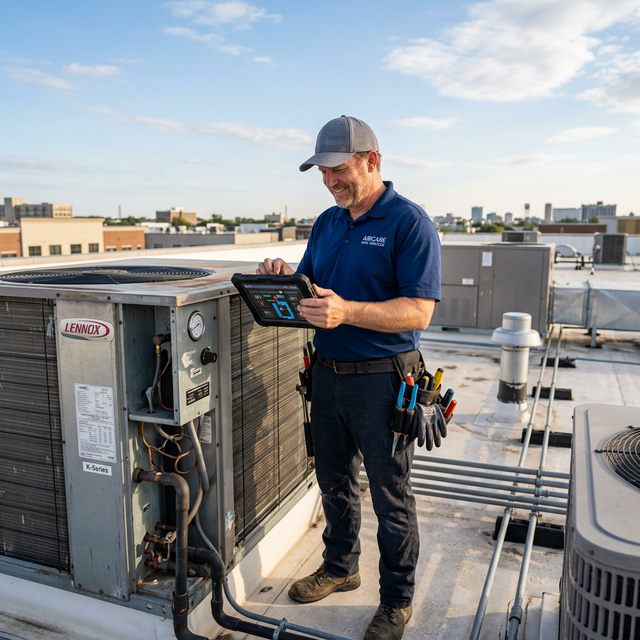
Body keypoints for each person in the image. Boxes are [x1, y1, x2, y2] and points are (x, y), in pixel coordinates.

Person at [257, 115, 441, 640]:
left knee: (391, 496)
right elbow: (314, 287)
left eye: (338, 170)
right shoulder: (327, 222)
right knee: (334, 482)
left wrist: (349, 313)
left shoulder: (408, 222)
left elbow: (419, 312)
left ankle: (396, 602)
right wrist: (284, 278)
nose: (330, 181)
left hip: (384, 382)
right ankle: (341, 567)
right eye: (322, 172)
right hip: (329, 376)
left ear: (371, 161)